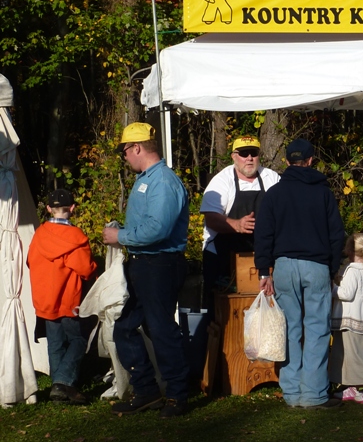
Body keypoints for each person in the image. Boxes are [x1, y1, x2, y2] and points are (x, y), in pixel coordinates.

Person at [102, 122, 191, 417]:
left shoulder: (162, 181)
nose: (124, 157)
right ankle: (147, 391)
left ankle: (178, 395)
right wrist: (125, 233)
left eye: (125, 151)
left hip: (160, 264)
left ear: (137, 148)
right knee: (125, 328)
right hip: (143, 263)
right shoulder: (147, 179)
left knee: (161, 329)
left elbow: (158, 229)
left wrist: (121, 236)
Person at [254, 138, 346, 409]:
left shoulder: (274, 194)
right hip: (316, 265)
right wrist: (331, 268)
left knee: (290, 329)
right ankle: (314, 394)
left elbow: (263, 235)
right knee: (316, 330)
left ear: (286, 162)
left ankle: (292, 392)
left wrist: (263, 271)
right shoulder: (323, 193)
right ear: (310, 160)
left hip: (283, 266)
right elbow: (336, 235)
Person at [27, 188, 97, 405]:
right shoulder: (76, 238)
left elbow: (30, 262)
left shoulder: (39, 235)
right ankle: (62, 381)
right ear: (73, 208)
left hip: (44, 300)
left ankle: (60, 392)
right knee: (77, 339)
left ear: (48, 208)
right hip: (68, 299)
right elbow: (86, 269)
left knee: (55, 343)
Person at [200, 136, 280, 316]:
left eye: (254, 153)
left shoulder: (271, 177)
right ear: (234, 156)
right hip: (222, 258)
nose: (249, 158)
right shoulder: (221, 180)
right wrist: (236, 224)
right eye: (244, 154)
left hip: (261, 257)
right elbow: (211, 218)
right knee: (220, 313)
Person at [329, 233, 363, 404]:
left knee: (354, 356)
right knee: (354, 354)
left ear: (349, 250)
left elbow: (345, 294)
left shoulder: (352, 270)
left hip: (351, 320)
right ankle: (352, 385)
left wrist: (331, 287)